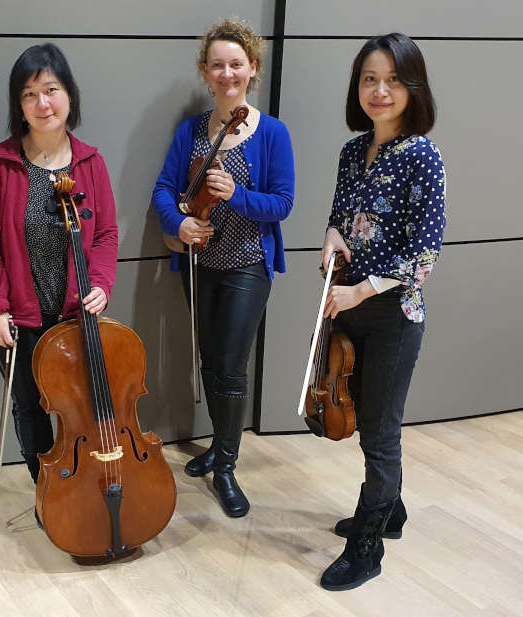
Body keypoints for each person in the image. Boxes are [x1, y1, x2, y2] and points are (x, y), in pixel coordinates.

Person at [317, 33, 446, 590]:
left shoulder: (423, 154)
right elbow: (340, 215)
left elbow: (424, 252)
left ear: (412, 87)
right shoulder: (353, 150)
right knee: (363, 417)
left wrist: (360, 292)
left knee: (379, 430)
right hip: (347, 303)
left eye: (393, 79)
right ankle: (389, 510)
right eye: (370, 78)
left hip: (393, 312)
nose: (380, 89)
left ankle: (366, 546)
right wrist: (330, 238)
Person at [152, 18, 294, 518]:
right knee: (211, 362)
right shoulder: (191, 131)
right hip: (201, 264)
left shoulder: (271, 133)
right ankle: (217, 443)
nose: (227, 73)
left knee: (231, 368)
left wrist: (238, 195)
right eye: (218, 65)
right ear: (206, 73)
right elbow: (165, 192)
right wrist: (180, 225)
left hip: (246, 265)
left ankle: (227, 465)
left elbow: (282, 204)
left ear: (252, 69)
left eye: (237, 63)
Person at [0, 43, 118, 491]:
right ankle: (48, 489)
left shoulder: (90, 162)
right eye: (30, 94)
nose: (43, 104)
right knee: (30, 406)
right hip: (18, 314)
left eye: (51, 90)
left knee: (83, 405)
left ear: (69, 96)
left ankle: (88, 482)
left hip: (77, 313)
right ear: (19, 105)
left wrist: (103, 284)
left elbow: (108, 234)